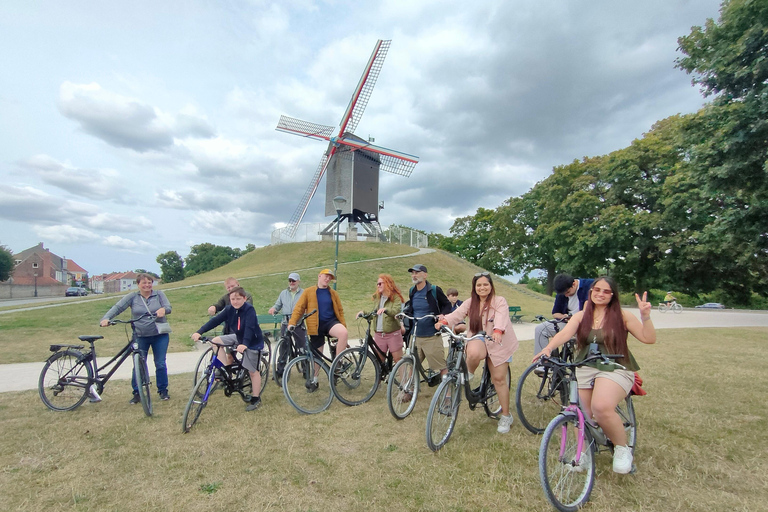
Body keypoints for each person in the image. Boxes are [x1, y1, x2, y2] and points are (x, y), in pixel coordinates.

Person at [533, 276, 656, 474]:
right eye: (597, 289)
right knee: (579, 412)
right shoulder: (582, 315)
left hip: (615, 367)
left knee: (601, 406)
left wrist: (645, 317)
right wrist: (548, 348)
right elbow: (565, 334)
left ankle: (622, 449)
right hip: (585, 366)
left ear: (613, 295)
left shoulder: (622, 316)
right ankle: (582, 455)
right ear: (590, 292)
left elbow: (648, 339)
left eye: (606, 291)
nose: (600, 294)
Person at [439, 272, 519, 433]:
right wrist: (444, 321)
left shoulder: (499, 301)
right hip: (479, 338)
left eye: (485, 284)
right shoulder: (470, 303)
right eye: (479, 285)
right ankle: (467, 373)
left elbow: (502, 318)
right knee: (473, 353)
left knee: (499, 380)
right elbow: (457, 314)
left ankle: (505, 415)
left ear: (491, 286)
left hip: (499, 341)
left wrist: (497, 330)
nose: (482, 288)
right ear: (474, 288)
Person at [100, 273, 172, 402]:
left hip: (159, 335)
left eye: (149, 282)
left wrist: (164, 310)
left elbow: (168, 307)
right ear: (138, 284)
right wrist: (106, 318)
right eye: (144, 283)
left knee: (160, 363)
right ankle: (137, 392)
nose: (147, 285)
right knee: (138, 363)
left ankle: (163, 390)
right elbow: (118, 307)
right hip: (140, 335)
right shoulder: (133, 297)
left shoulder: (159, 294)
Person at [191, 287, 265, 412]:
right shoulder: (229, 309)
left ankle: (256, 398)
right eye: (232, 299)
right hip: (238, 336)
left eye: (238, 299)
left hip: (251, 340)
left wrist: (245, 344)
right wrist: (199, 331)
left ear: (244, 298)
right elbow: (215, 320)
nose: (235, 302)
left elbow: (250, 327)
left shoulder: (249, 309)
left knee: (253, 371)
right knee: (216, 341)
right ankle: (225, 369)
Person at [288, 269, 348, 382]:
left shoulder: (333, 293)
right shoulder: (308, 291)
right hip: (315, 326)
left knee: (343, 333)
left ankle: (337, 366)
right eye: (326, 276)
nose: (328, 279)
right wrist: (292, 323)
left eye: (330, 278)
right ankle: (314, 379)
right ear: (319, 276)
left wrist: (343, 325)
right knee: (317, 355)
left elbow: (340, 311)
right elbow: (299, 308)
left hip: (331, 322)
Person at [403, 264, 452, 377]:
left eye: (417, 273)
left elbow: (447, 305)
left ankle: (448, 392)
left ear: (425, 275)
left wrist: (442, 315)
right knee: (412, 365)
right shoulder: (412, 291)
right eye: (413, 273)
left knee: (440, 367)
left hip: (431, 335)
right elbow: (411, 307)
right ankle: (409, 391)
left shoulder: (434, 290)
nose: (414, 275)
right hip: (415, 335)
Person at [533, 274, 595, 356]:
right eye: (563, 294)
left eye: (568, 292)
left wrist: (576, 319)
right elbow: (555, 313)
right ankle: (542, 364)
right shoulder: (562, 292)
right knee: (540, 329)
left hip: (586, 325)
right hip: (567, 323)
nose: (566, 295)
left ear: (574, 284)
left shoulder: (589, 285)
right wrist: (564, 317)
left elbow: (587, 311)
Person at [356, 274, 405, 364]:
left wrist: (386, 310)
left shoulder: (396, 297)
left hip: (392, 334)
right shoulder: (378, 298)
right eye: (377, 284)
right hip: (379, 334)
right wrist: (363, 313)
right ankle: (380, 377)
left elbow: (396, 311)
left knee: (398, 360)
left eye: (380, 284)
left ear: (387, 283)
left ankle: (405, 378)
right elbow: (374, 313)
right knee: (379, 361)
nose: (378, 286)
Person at [269, 272, 306, 380]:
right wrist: (273, 309)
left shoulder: (304, 293)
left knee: (303, 347)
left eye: (293, 281)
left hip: (298, 324)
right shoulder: (283, 293)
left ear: (298, 281)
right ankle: (280, 371)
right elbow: (278, 305)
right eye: (290, 280)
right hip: (285, 323)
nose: (291, 283)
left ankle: (306, 370)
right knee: (283, 347)